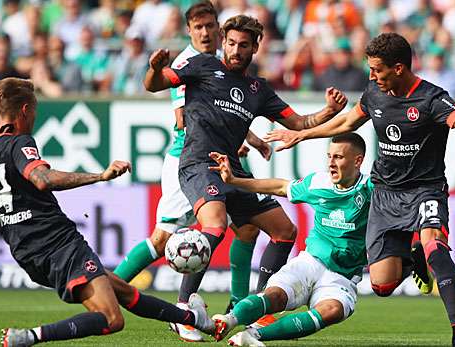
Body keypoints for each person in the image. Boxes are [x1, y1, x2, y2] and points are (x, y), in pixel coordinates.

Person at [265, 33, 455, 347]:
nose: (372, 76)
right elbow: (345, 124)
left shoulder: (432, 99)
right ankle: (414, 261)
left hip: (425, 189)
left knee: (435, 246)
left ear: (398, 68)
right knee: (382, 285)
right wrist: (301, 136)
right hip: (384, 194)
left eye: (377, 70)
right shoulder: (375, 94)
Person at [0, 78, 214, 347]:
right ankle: (29, 336)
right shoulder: (19, 143)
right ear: (25, 110)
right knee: (111, 318)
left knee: (122, 290)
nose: (34, 117)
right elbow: (43, 179)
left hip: (28, 255)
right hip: (59, 244)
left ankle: (191, 318)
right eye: (34, 110)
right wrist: (100, 176)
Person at [144, 12, 348, 338]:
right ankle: (184, 309)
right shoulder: (202, 66)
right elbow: (153, 86)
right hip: (197, 163)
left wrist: (327, 112)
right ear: (224, 43)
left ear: (255, 48)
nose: (235, 50)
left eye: (243, 45)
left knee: (284, 230)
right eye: (231, 43)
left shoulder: (258, 89)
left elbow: (296, 123)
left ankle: (258, 308)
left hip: (231, 169)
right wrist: (154, 68)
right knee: (215, 225)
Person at [112, 3, 281, 341]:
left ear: (219, 29)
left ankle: (239, 305)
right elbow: (182, 118)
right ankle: (119, 291)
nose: (206, 33)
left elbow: (227, 106)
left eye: (210, 26)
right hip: (187, 158)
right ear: (189, 31)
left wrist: (244, 137)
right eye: (199, 27)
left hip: (221, 157)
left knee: (247, 229)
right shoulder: (188, 63)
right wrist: (230, 135)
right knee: (164, 240)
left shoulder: (223, 62)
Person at [208, 133, 371, 346]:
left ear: (357, 161)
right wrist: (234, 181)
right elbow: (281, 187)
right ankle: (229, 320)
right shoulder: (318, 182)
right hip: (310, 262)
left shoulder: (372, 189)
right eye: (329, 156)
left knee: (332, 311)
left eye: (338, 157)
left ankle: (253, 336)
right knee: (274, 295)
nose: (331, 163)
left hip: (343, 276)